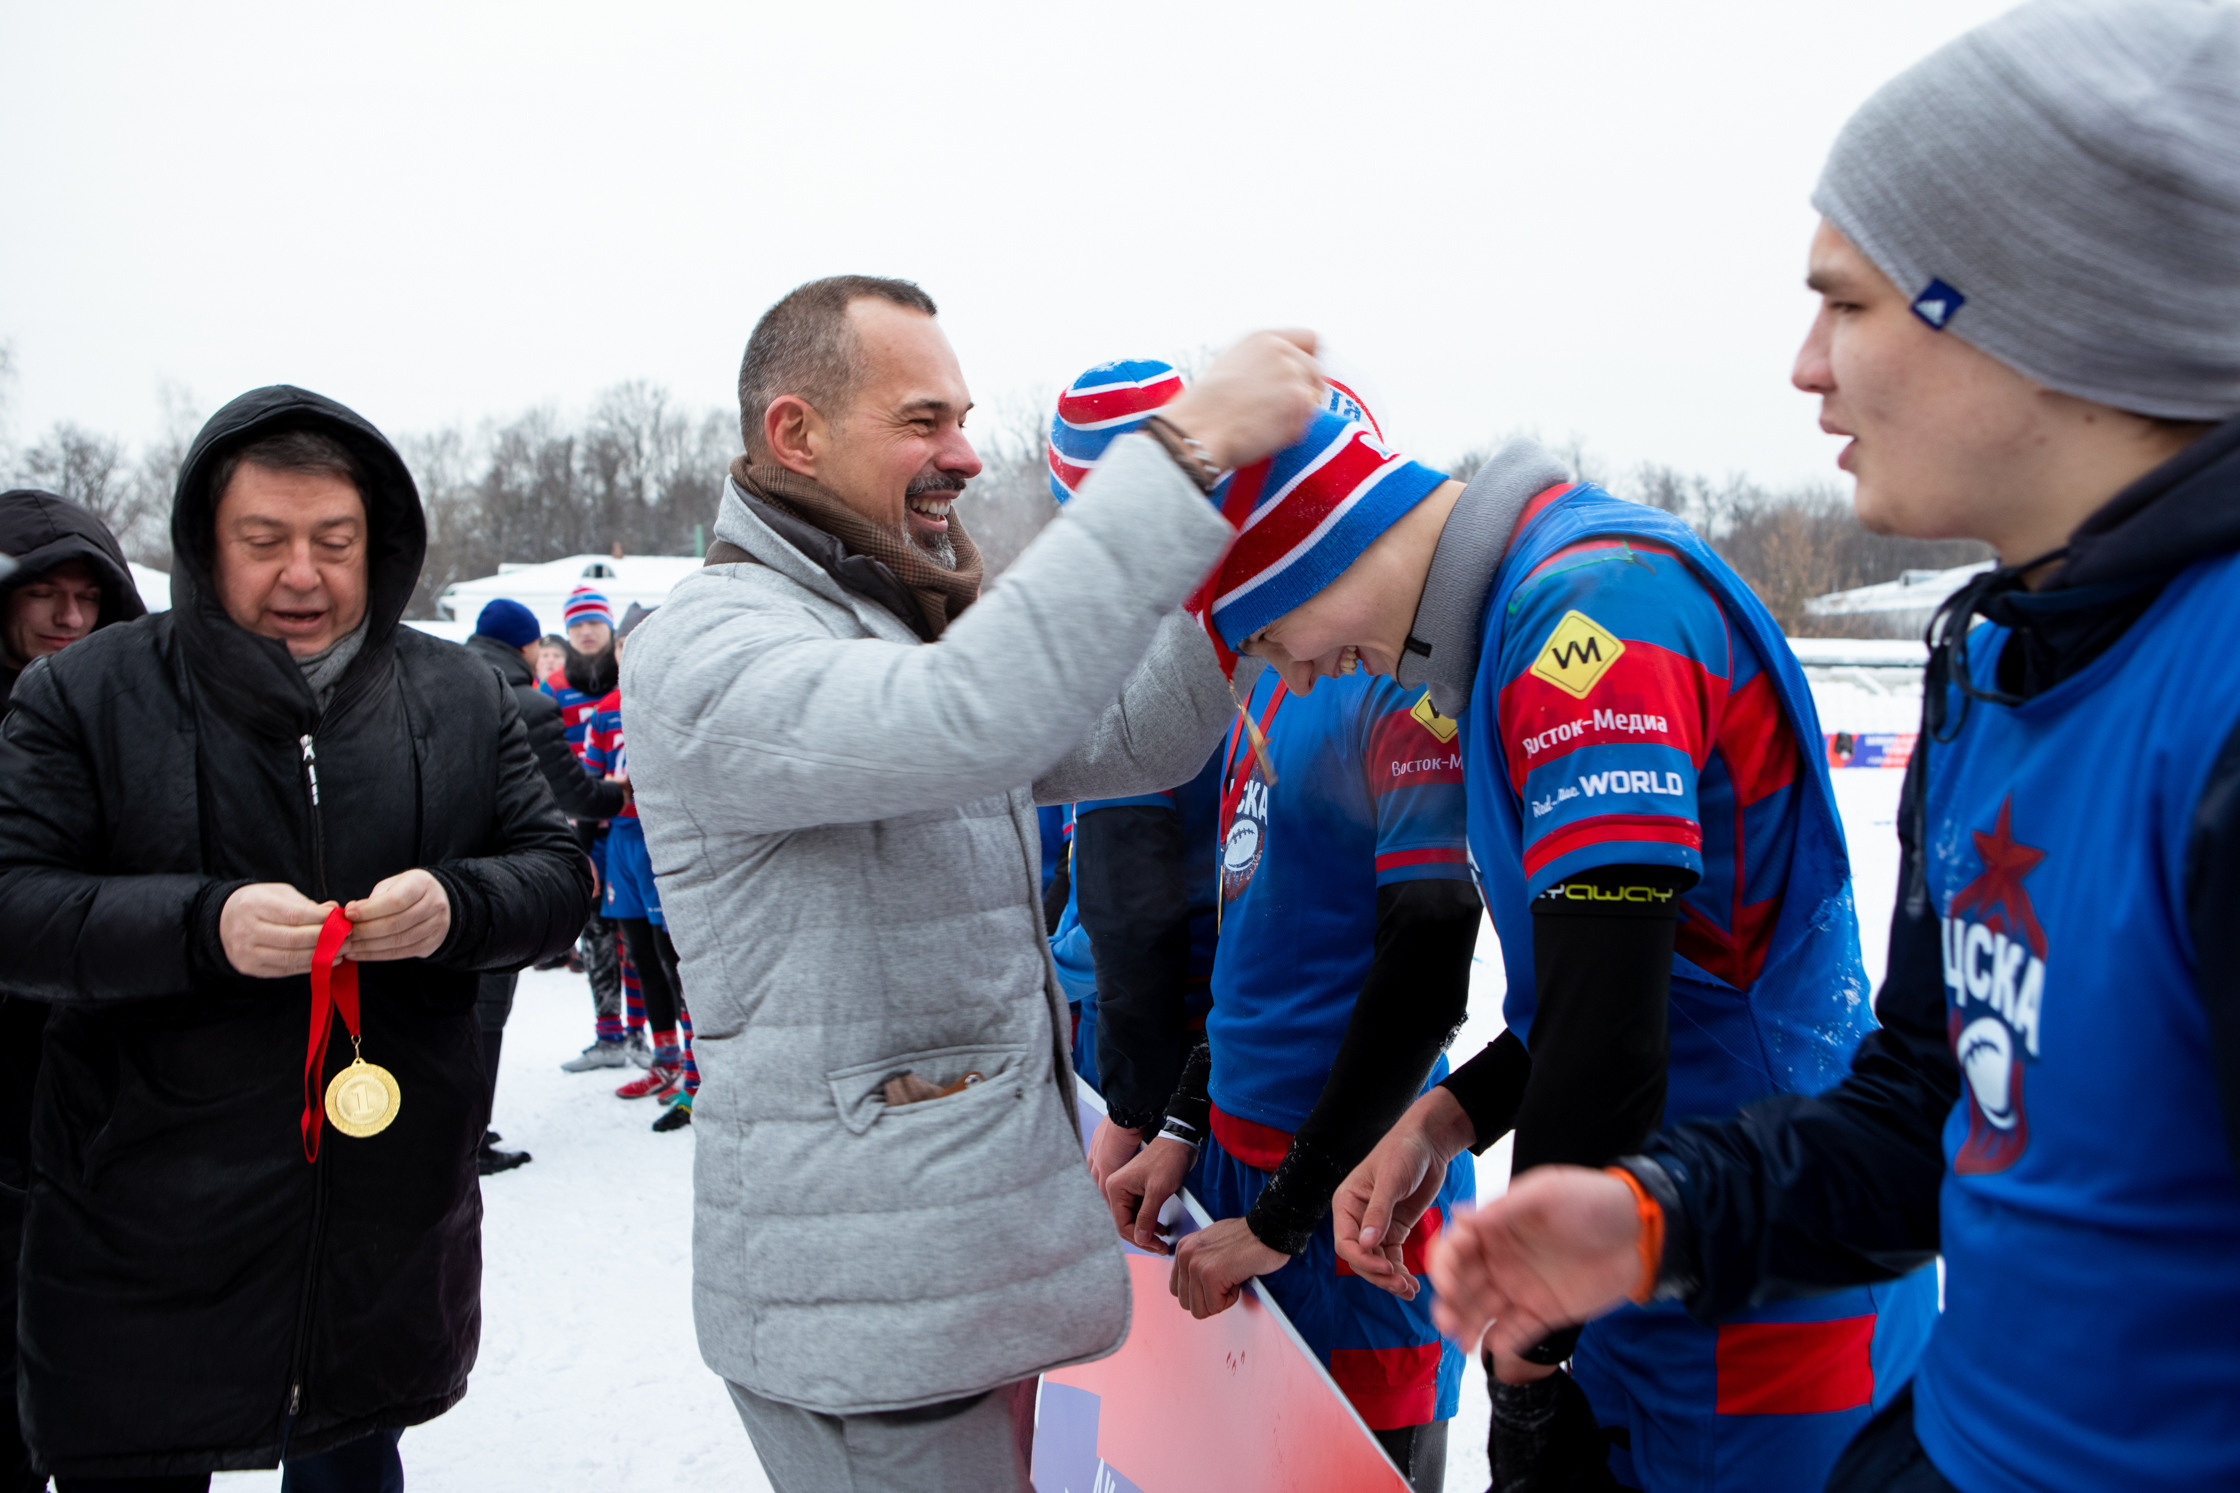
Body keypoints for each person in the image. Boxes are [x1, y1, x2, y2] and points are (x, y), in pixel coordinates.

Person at [1422, 5, 2240, 1491]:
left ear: (2045, 305)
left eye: (1848, 305)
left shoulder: (2216, 699)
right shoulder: (2001, 658)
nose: (1806, 368)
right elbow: (1938, 1104)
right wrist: (1661, 1211)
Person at [1080, 335, 1934, 1482]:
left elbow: (1616, 1018)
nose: (1309, 674)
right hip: (1639, 1217)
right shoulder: (1497, 642)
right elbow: (1587, 996)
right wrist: (1445, 1118)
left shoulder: (1587, 618)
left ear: (1301, 557)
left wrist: (1530, 1332)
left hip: (1751, 1256)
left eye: (1274, 640)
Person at [622, 276, 1319, 1493]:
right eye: (922, 419)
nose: (963, 454)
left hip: (953, 1285)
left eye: (961, 417)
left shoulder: (895, 626)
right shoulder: (712, 647)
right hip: (872, 1327)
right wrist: (1182, 457)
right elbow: (974, 714)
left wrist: (1242, 539)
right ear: (795, 433)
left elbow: (1142, 732)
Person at [0, 386, 592, 1490]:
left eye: (334, 541)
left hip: (376, 1220)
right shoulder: (84, 694)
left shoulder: (457, 692)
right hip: (141, 1223)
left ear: (379, 543)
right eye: (263, 541)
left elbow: (560, 877)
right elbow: (16, 906)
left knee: (352, 1461)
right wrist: (201, 922)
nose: (302, 575)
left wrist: (455, 906)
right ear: (203, 546)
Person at [1041, 362, 1226, 1180]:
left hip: (1188, 1072)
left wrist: (1135, 1111)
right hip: (1246, 1057)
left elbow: (1133, 915)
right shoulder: (1251, 604)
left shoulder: (1143, 640)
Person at [0, 489, 146, 1493]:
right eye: (43, 593)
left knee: (129, 1398)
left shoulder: (138, 736)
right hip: (10, 1112)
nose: (67, 617)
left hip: (124, 1115)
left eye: (88, 596)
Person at [466, 596, 627, 1172]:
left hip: (434, 874)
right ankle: (469, 1137)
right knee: (486, 1009)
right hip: (498, 875)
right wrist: (619, 794)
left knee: (451, 1007)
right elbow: (571, 791)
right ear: (528, 645)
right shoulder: (526, 701)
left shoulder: (443, 684)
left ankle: (454, 1128)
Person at [584, 603, 696, 1133]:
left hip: (660, 841)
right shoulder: (605, 708)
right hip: (621, 842)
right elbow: (587, 780)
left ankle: (699, 1078)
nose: (630, 652)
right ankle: (666, 1059)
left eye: (640, 641)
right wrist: (585, 848)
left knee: (675, 960)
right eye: (624, 644)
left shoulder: (671, 698)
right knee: (640, 956)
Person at [543, 586, 642, 1072]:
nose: (585, 632)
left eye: (594, 623)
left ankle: (644, 1034)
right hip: (578, 829)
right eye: (577, 624)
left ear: (608, 629)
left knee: (637, 933)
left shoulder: (628, 678)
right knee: (596, 932)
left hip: (629, 827)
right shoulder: (554, 686)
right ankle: (608, 1033)